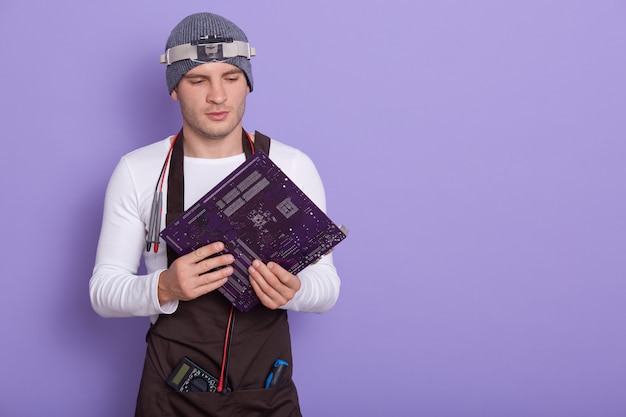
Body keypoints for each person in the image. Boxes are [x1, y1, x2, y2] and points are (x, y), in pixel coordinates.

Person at [89, 12, 341, 417]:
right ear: (174, 89)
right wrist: (165, 287)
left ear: (248, 84)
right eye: (197, 80)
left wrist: (295, 291)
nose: (218, 96)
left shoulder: (291, 165)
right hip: (171, 392)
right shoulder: (139, 171)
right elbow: (103, 291)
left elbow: (326, 287)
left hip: (266, 390)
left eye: (231, 77)